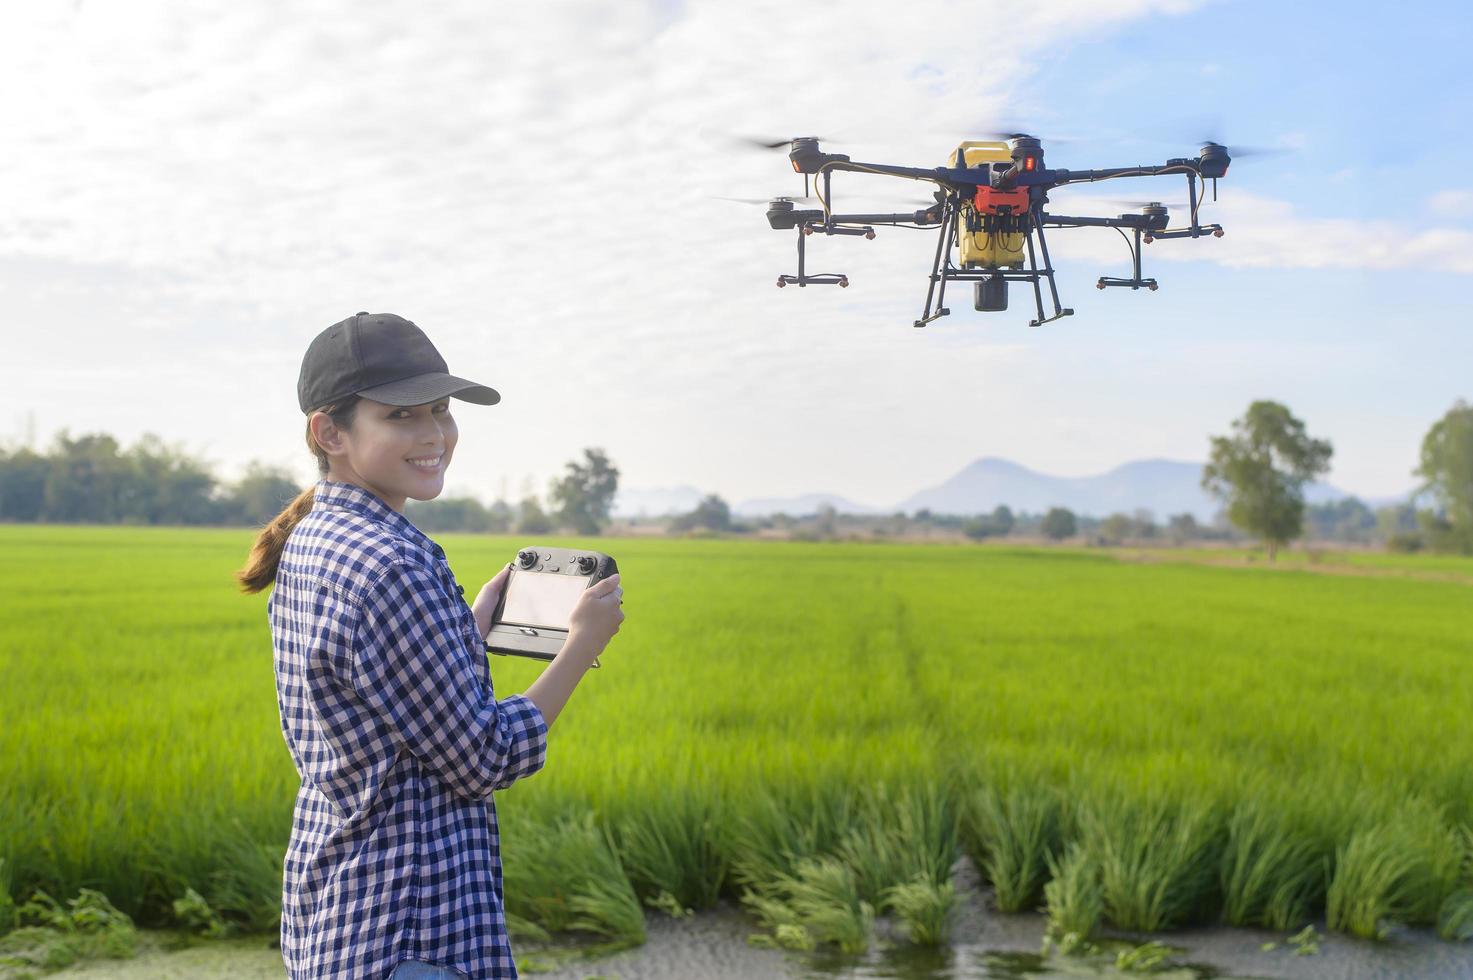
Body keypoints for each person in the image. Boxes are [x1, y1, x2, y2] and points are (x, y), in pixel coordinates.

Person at [234, 312, 624, 979]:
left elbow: (380, 692)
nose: (434, 435)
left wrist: (464, 630)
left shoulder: (316, 538)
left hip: (340, 914)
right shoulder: (393, 561)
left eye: (440, 411)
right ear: (329, 433)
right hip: (412, 931)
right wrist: (578, 649)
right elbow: (483, 756)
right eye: (401, 416)